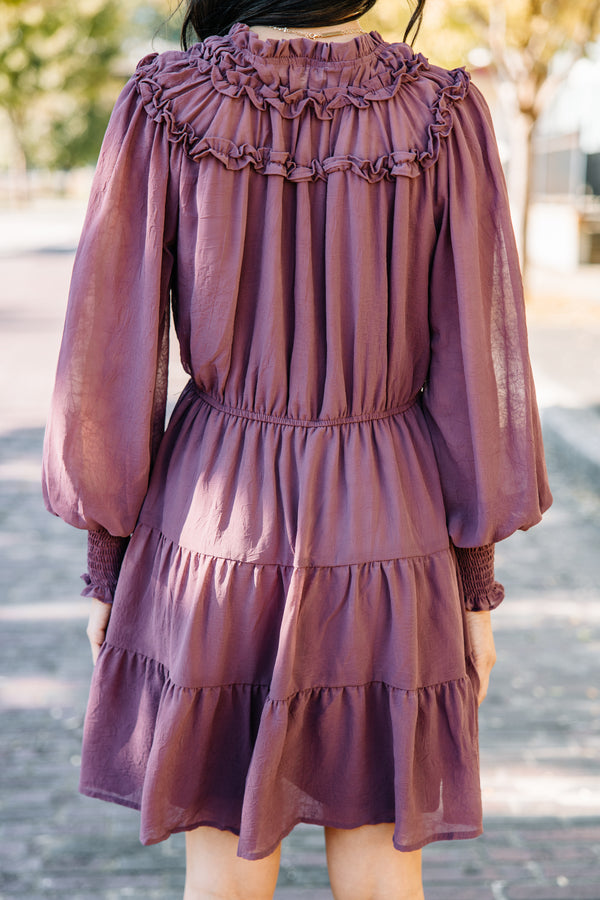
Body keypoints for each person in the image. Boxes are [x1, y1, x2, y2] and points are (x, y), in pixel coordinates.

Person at [41, 1, 553, 897]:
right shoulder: (441, 113)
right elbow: (478, 369)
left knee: (225, 873)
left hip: (215, 520)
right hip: (386, 517)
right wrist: (474, 584)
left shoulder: (166, 103)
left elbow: (109, 355)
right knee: (382, 868)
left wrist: (107, 562)